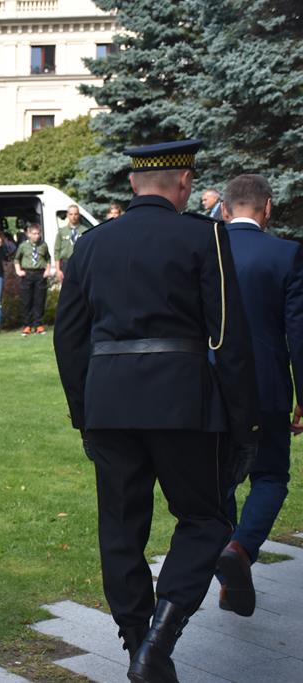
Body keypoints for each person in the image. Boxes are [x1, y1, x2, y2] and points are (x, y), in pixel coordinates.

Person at [54, 140, 259, 682]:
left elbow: (68, 338)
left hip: (109, 406)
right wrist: (244, 424)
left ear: (132, 184)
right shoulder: (203, 236)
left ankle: (135, 646)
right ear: (185, 183)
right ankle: (157, 642)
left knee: (121, 529)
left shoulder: (91, 244)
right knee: (206, 518)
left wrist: (84, 413)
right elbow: (227, 338)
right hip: (182, 403)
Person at [217, 174, 303, 617]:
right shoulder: (286, 254)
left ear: (225, 209)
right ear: (268, 207)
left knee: (221, 482)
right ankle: (241, 548)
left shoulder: (205, 250)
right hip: (267, 386)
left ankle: (230, 568)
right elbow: (299, 333)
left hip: (212, 387)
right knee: (270, 476)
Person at [14, 224, 50, 336]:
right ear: (28, 234)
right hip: (27, 274)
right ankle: (27, 325)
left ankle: (38, 325)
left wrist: (47, 270)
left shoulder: (43, 245)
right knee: (27, 300)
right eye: (34, 234)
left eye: (38, 233)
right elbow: (16, 259)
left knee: (39, 300)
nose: (36, 236)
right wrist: (18, 270)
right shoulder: (23, 246)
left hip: (40, 274)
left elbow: (48, 258)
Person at [53, 204, 87, 283]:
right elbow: (57, 251)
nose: (73, 217)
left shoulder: (85, 231)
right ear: (67, 215)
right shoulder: (62, 231)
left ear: (79, 215)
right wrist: (58, 270)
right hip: (66, 264)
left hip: (80, 263)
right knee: (66, 287)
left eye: (75, 214)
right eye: (71, 214)